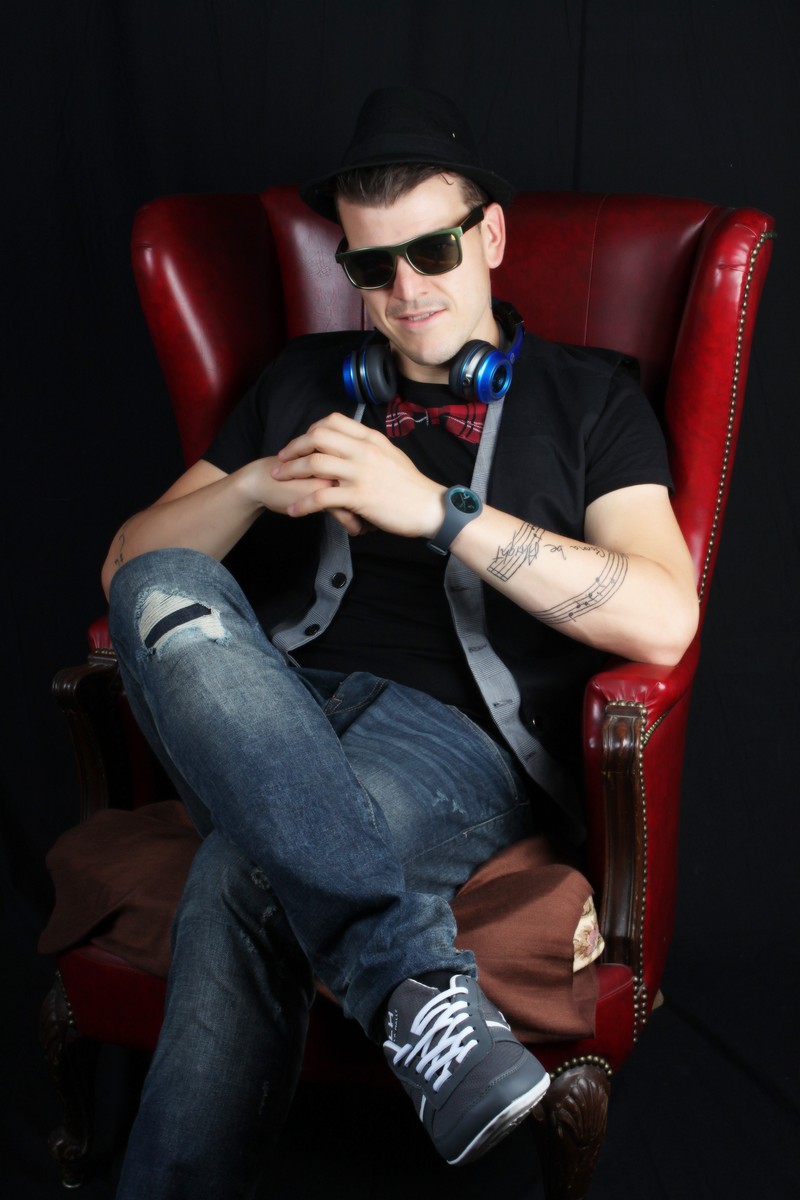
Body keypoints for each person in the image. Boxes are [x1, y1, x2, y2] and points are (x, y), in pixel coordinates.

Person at [105, 87, 698, 1198]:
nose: (406, 290)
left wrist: (439, 512)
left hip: (450, 746)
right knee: (163, 583)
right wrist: (256, 482)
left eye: (432, 251)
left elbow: (663, 614)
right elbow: (129, 567)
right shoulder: (298, 380)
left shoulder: (591, 401)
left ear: (491, 237)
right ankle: (412, 981)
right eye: (373, 267)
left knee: (243, 868)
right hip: (261, 706)